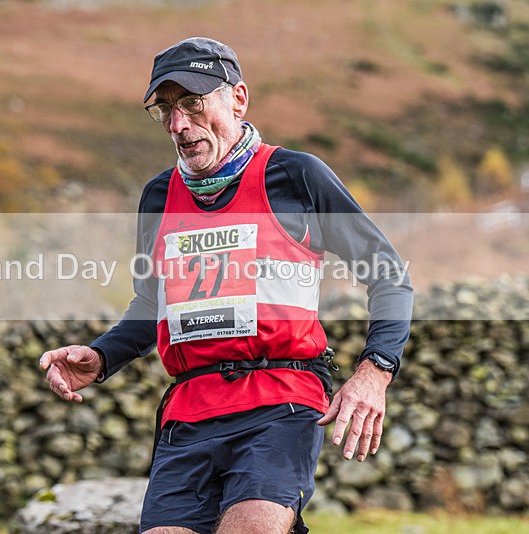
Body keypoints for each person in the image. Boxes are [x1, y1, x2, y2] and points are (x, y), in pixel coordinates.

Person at [39, 37, 413, 534]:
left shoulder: (295, 176)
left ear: (238, 99)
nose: (178, 125)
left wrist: (375, 371)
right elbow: (153, 302)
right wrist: (102, 355)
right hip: (189, 411)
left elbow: (389, 274)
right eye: (166, 110)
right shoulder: (158, 197)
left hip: (280, 398)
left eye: (192, 104)